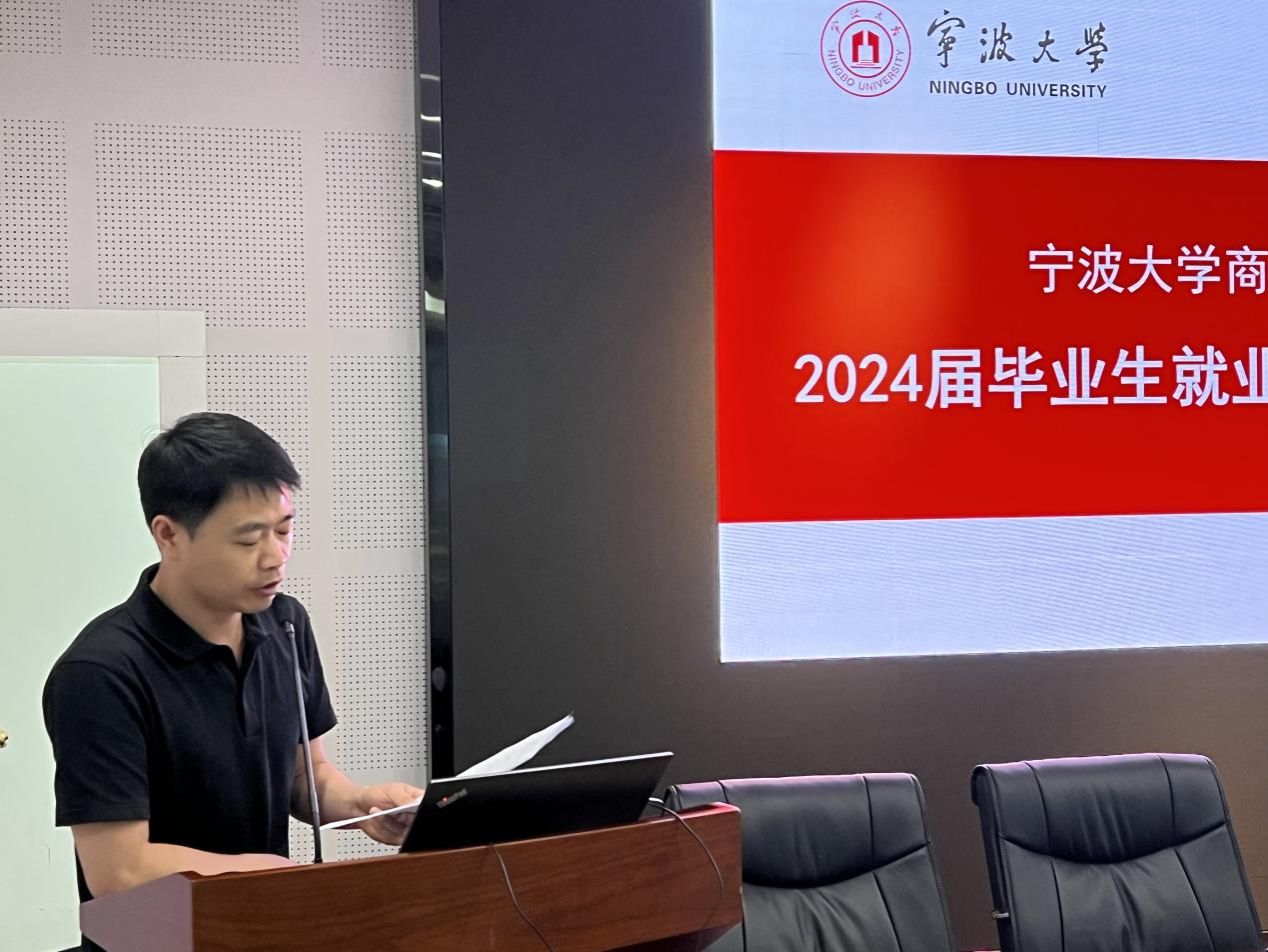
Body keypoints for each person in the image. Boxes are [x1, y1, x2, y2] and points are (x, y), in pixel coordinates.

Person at [42, 412, 422, 946]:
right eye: (248, 540)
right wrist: (270, 872)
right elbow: (119, 870)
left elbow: (304, 776)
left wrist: (363, 806)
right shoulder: (101, 673)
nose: (276, 557)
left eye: (284, 530)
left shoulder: (286, 625)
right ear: (169, 535)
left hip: (263, 930)